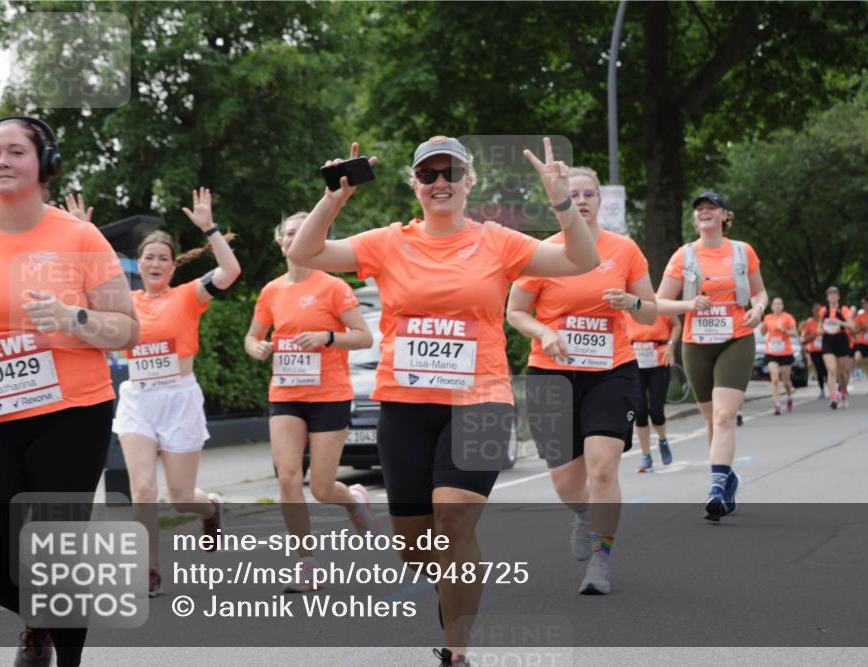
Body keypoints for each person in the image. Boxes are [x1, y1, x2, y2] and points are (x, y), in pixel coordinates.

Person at [287, 137, 599, 667]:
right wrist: (335, 198)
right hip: (405, 406)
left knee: (454, 519)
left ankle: (457, 652)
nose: (440, 182)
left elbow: (582, 259)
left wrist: (561, 201)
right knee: (416, 548)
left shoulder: (498, 242)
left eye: (450, 172)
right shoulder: (389, 242)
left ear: (468, 181)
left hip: (481, 401)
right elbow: (304, 253)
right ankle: (454, 587)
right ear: (415, 185)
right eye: (428, 174)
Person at [0, 117, 139, 667]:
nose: (2, 160)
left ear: (44, 165)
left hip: (72, 412)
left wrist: (74, 317)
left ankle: (60, 649)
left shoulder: (78, 236)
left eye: (16, 151)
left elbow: (128, 328)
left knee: (54, 555)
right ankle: (41, 619)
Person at [506, 166, 657, 595]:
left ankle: (600, 558)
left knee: (603, 468)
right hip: (552, 374)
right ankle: (584, 513)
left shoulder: (624, 250)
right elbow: (515, 311)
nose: (583, 199)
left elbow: (648, 312)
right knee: (565, 481)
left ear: (599, 200)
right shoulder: (540, 253)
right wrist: (544, 332)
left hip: (612, 371)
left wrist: (632, 301)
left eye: (589, 193)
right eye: (574, 193)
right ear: (559, 198)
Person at [112, 188, 241, 597]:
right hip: (138, 398)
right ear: (140, 263)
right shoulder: (125, 301)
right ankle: (148, 570)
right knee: (144, 489)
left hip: (179, 397)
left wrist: (210, 229)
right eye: (148, 257)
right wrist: (81, 232)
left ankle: (210, 509)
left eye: (162, 258)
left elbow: (230, 271)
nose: (154, 263)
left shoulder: (188, 294)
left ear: (172, 265)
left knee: (181, 497)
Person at [244, 212, 377, 590]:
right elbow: (253, 336)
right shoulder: (271, 291)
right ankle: (307, 563)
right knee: (288, 478)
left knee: (321, 487)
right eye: (289, 233)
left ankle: (352, 499)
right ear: (280, 241)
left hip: (329, 394)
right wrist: (258, 348)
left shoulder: (333, 287)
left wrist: (326, 337)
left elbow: (363, 336)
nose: (294, 238)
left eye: (303, 232)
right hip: (286, 393)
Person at [655, 191, 767, 521]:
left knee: (723, 416)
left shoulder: (742, 251)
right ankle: (728, 475)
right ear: (695, 219)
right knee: (711, 421)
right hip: (697, 344)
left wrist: (758, 309)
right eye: (699, 209)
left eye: (711, 208)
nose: (704, 212)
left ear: (723, 215)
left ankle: (716, 486)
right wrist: (689, 305)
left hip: (736, 338)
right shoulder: (684, 255)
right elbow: (660, 302)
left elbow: (761, 291)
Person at [626, 312, 681, 472]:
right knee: (640, 412)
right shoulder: (624, 305)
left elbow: (677, 324)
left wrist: (671, 345)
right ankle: (646, 456)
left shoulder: (659, 302)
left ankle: (663, 441)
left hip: (659, 360)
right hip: (634, 360)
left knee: (656, 411)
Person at [818, 287, 855, 410]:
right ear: (827, 297)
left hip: (841, 340)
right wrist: (822, 328)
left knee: (843, 373)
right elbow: (819, 327)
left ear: (838, 297)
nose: (833, 296)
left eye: (835, 294)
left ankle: (843, 394)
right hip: (828, 340)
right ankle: (833, 397)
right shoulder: (823, 311)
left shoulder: (844, 310)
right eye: (830, 294)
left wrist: (838, 322)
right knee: (832, 370)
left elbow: (852, 326)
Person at [760, 297, 797, 415]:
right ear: (771, 306)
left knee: (786, 380)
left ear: (783, 306)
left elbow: (795, 333)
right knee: (775, 378)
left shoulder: (788, 317)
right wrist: (762, 325)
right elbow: (762, 332)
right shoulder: (767, 318)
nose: (777, 306)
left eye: (779, 304)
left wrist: (785, 331)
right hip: (771, 352)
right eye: (775, 304)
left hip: (785, 351)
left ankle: (789, 396)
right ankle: (777, 404)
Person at [801, 302, 828, 399]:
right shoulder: (809, 323)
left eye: (820, 310)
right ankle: (822, 390)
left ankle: (832, 388)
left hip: (827, 349)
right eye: (816, 310)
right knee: (819, 370)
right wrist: (814, 334)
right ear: (812, 311)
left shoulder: (827, 321)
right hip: (814, 350)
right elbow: (803, 339)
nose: (818, 312)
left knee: (828, 369)